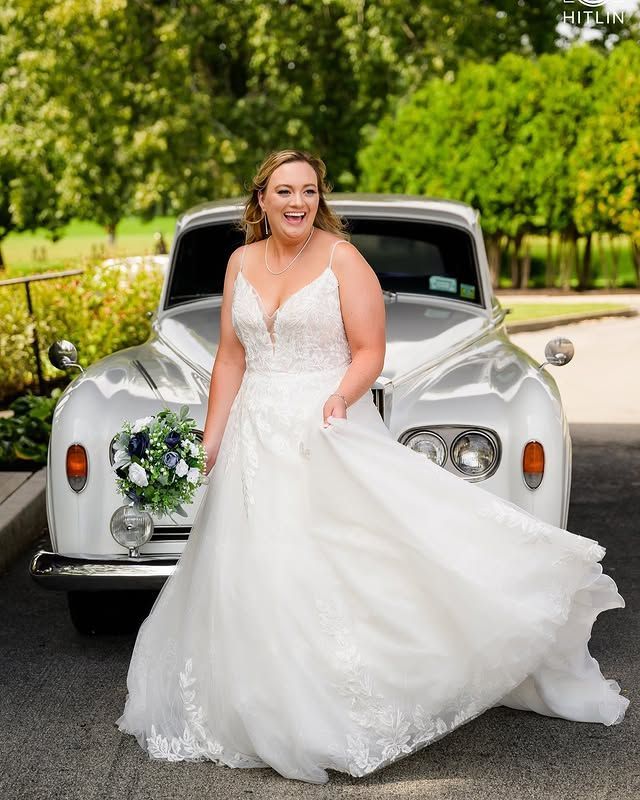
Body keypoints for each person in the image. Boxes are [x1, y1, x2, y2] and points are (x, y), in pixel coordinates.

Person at [116, 149, 628, 784]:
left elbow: (369, 350)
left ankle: (334, 704)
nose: (296, 201)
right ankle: (260, 704)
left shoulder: (342, 259)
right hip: (254, 433)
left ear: (319, 197)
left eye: (307, 190)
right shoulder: (240, 262)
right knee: (254, 567)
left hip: (320, 425)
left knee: (331, 561)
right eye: (284, 191)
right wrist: (211, 438)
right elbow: (229, 357)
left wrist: (339, 397)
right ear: (263, 201)